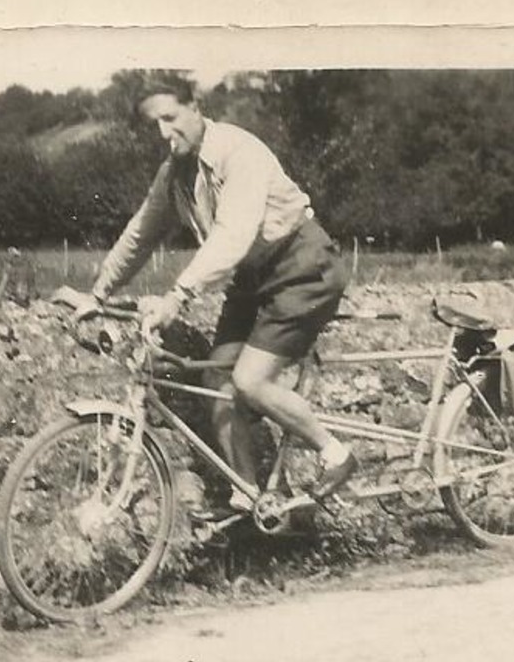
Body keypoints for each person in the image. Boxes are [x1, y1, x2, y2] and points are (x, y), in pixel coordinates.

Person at [81, 79, 357, 510]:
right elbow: (141, 233)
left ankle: (335, 454)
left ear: (196, 107)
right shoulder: (174, 172)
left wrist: (178, 296)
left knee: (249, 381)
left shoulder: (238, 152)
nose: (163, 133)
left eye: (170, 119)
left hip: (302, 269)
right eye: (155, 124)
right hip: (252, 281)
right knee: (216, 380)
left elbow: (233, 236)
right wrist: (97, 295)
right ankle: (252, 497)